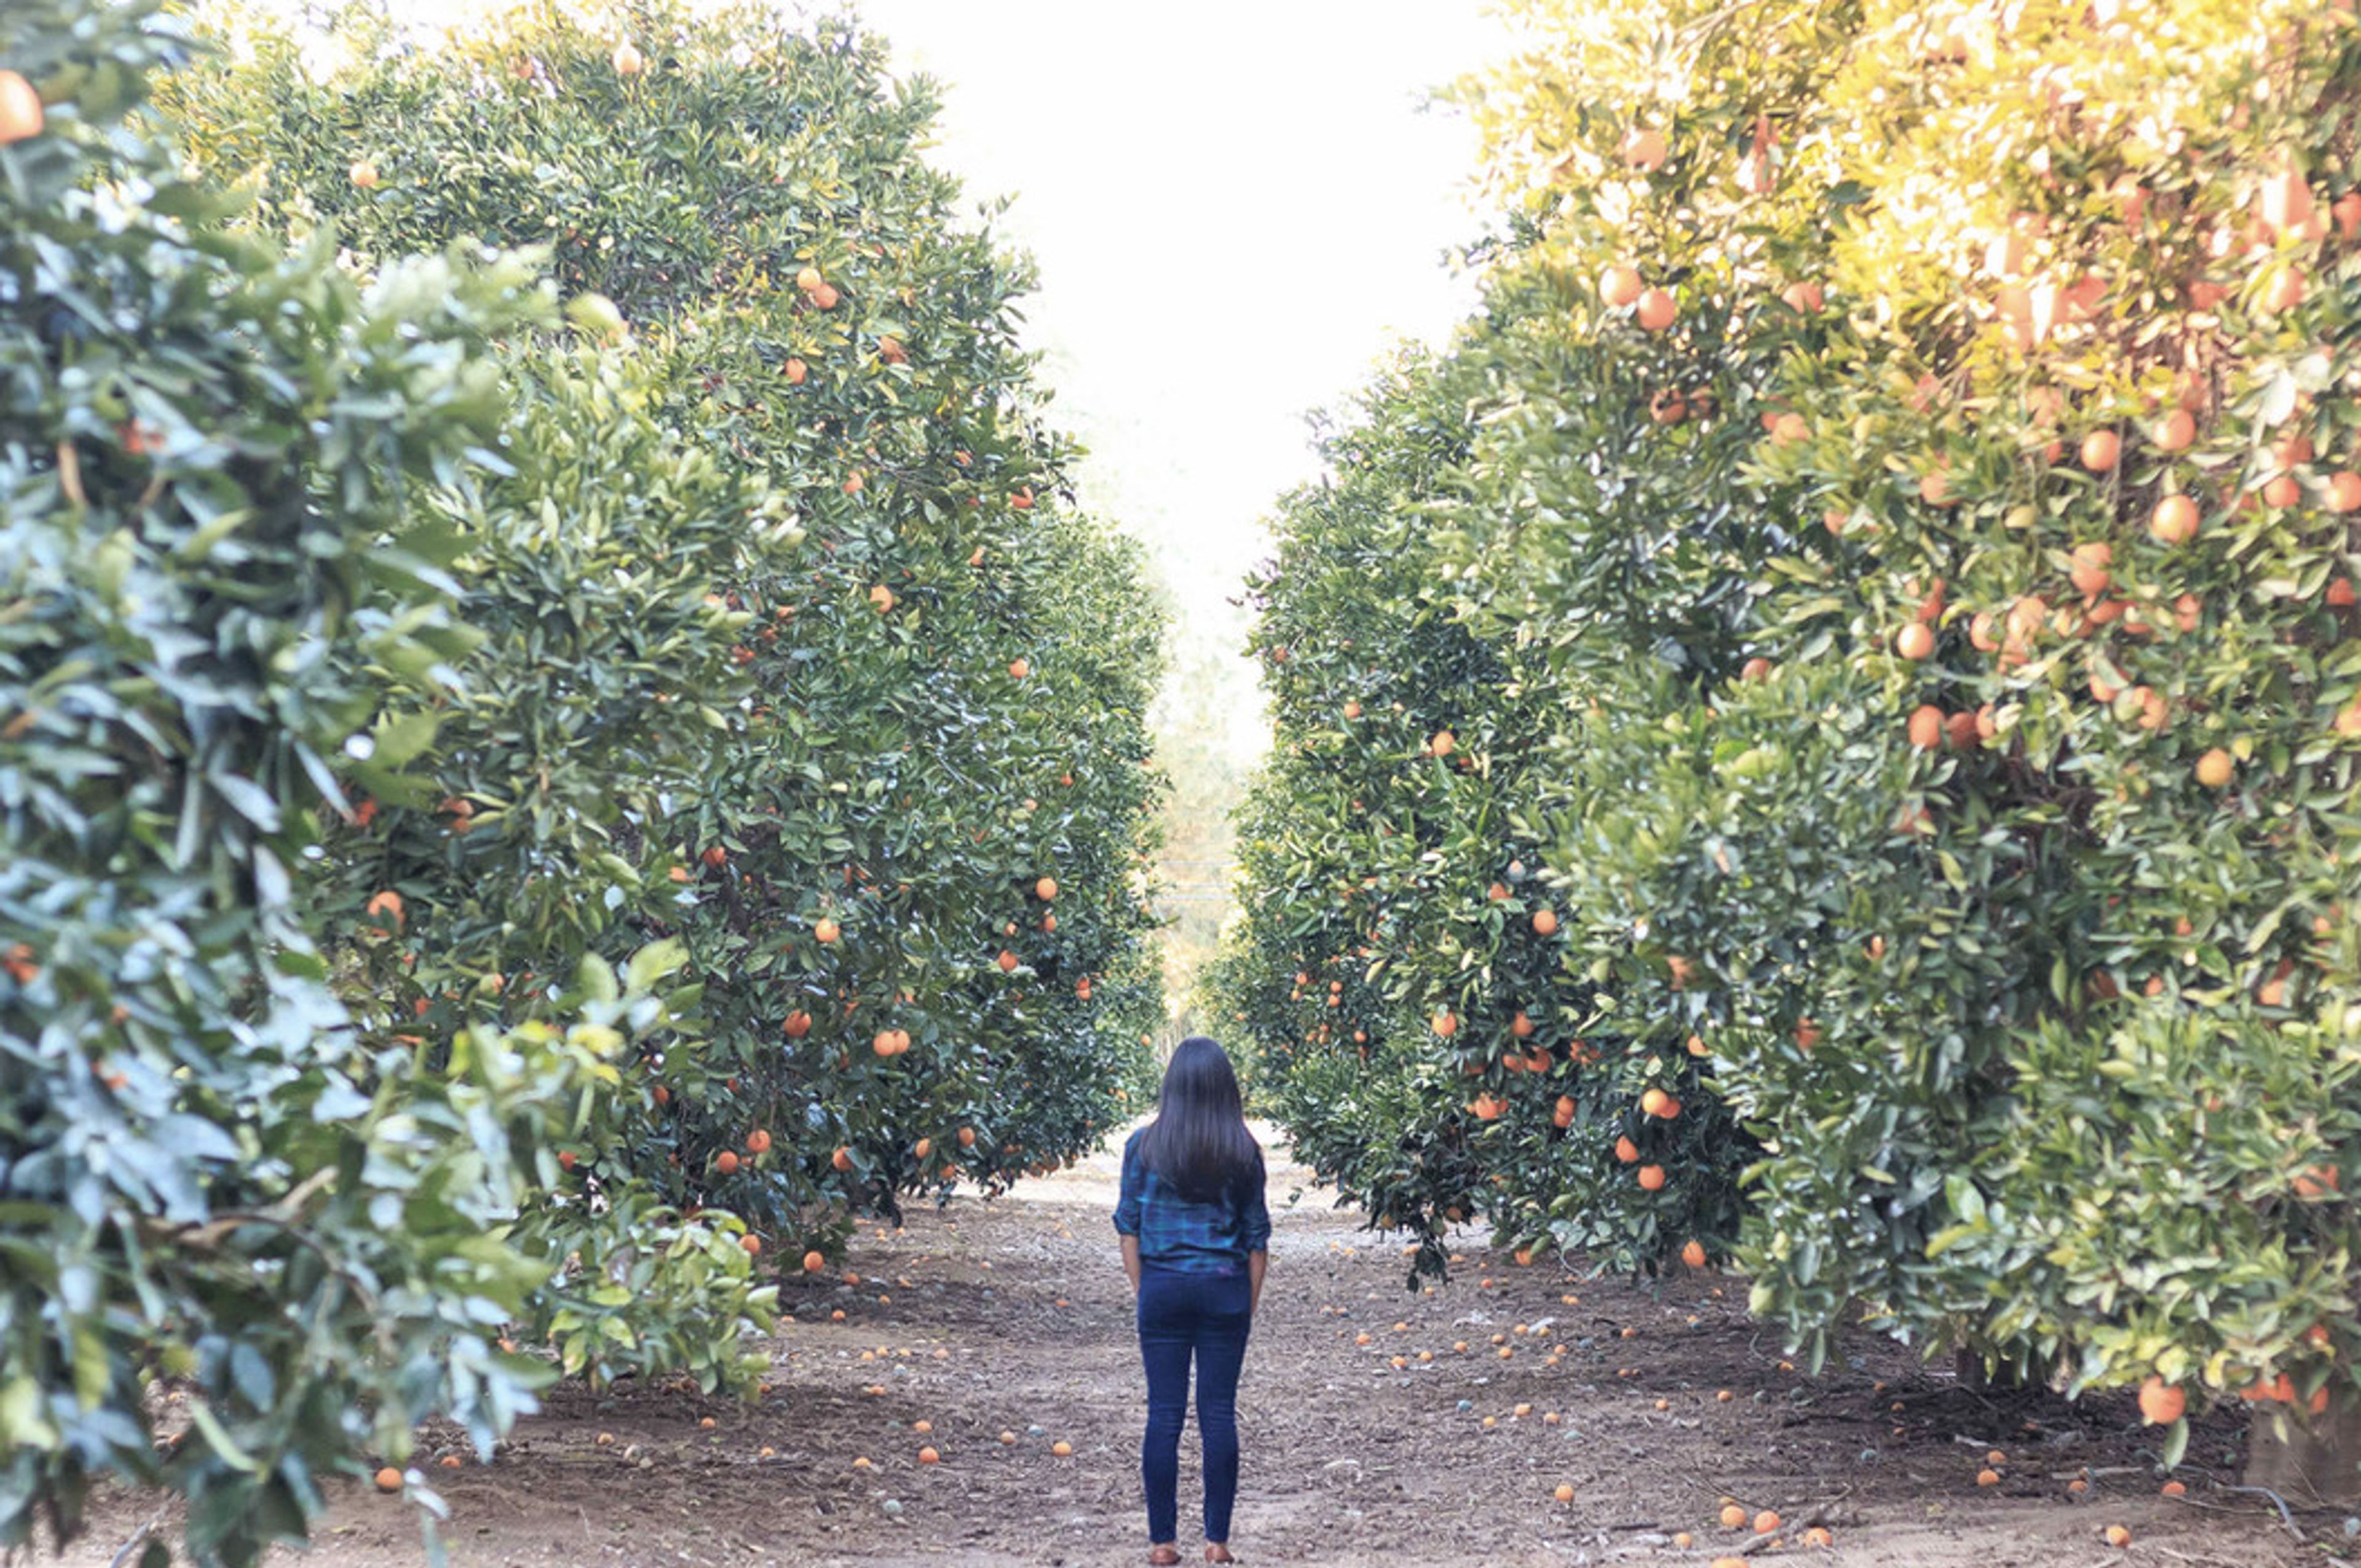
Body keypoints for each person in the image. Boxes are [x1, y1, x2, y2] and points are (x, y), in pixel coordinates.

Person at [1113, 1036, 1270, 1566]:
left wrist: (1146, 1290)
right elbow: (1256, 1240)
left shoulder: (1143, 1147)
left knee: (1164, 1414)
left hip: (1163, 1288)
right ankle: (1217, 1542)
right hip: (1224, 1287)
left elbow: (1129, 1229)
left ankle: (1162, 1543)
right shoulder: (1243, 1152)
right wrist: (1245, 1305)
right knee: (1218, 1413)